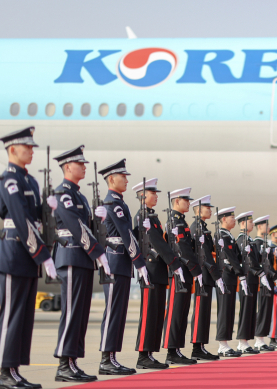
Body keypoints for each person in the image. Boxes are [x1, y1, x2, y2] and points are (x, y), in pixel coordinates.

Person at [0, 127, 57, 389]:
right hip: (15, 252)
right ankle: (3, 370)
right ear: (12, 150)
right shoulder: (10, 180)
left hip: (27, 255)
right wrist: (43, 254)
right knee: (11, 313)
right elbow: (20, 220)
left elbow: (34, 216)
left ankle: (14, 369)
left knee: (24, 317)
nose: (32, 151)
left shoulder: (30, 181)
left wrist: (50, 207)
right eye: (28, 147)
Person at [52, 146, 109, 382]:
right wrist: (97, 251)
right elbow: (75, 227)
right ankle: (64, 364)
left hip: (82, 259)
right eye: (80, 164)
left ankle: (72, 361)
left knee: (81, 313)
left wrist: (99, 219)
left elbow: (87, 225)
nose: (84, 167)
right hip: (72, 257)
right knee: (72, 311)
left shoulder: (80, 196)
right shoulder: (63, 194)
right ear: (67, 167)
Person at [97, 159, 149, 375]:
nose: (127, 180)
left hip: (120, 262)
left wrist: (139, 230)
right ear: (111, 179)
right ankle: (106, 359)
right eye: (123, 176)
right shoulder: (113, 203)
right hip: (115, 261)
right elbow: (125, 236)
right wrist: (139, 262)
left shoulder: (119, 203)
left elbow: (127, 232)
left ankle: (112, 357)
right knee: (113, 311)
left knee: (118, 312)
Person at [131, 178, 184, 369]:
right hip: (150, 270)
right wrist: (174, 262)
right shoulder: (143, 216)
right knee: (148, 314)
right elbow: (156, 243)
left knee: (156, 314)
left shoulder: (151, 216)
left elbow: (161, 241)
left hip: (158, 271)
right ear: (143, 196)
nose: (156, 196)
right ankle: (143, 355)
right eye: (153, 193)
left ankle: (150, 354)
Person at [162, 187, 203, 365]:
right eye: (185, 200)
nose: (188, 203)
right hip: (178, 271)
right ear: (176, 202)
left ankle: (177, 349)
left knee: (182, 312)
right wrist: (196, 270)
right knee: (175, 311)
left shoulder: (182, 222)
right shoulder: (175, 222)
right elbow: (183, 249)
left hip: (185, 271)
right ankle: (171, 351)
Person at [189, 195, 224, 361]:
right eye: (207, 208)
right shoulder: (197, 227)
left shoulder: (203, 227)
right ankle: (197, 346)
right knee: (200, 310)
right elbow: (204, 255)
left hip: (207, 274)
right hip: (203, 274)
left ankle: (201, 346)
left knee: (205, 311)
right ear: (198, 210)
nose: (210, 210)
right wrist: (216, 275)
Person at [236, 211, 270, 354]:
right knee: (246, 310)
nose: (252, 224)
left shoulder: (249, 240)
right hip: (247, 278)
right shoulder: (242, 240)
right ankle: (242, 342)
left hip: (253, 279)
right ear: (242, 224)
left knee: (251, 311)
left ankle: (246, 341)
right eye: (250, 222)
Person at [215, 207, 248, 357]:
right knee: (224, 310)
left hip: (230, 276)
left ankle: (225, 343)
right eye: (231, 217)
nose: (234, 220)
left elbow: (237, 257)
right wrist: (240, 273)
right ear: (224, 219)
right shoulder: (222, 235)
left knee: (229, 310)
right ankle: (222, 344)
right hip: (225, 275)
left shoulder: (228, 235)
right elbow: (230, 257)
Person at [252, 215, 277, 351]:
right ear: (260, 226)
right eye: (266, 225)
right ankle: (259, 339)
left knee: (266, 309)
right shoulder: (257, 243)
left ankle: (261, 338)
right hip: (262, 282)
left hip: (268, 281)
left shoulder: (264, 243)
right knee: (262, 309)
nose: (268, 228)